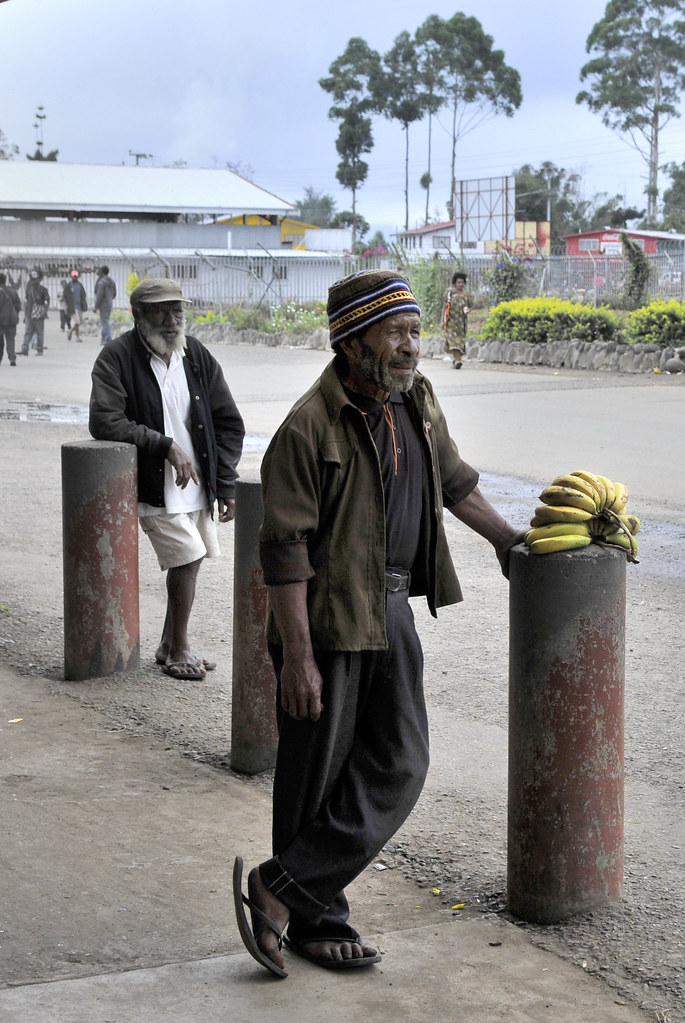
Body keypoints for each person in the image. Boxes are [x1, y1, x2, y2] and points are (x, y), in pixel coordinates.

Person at [233, 269, 524, 978]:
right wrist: (296, 657)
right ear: (351, 338)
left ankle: (282, 886)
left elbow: (455, 483)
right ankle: (314, 918)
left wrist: (506, 540)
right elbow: (283, 550)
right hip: (326, 622)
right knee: (315, 778)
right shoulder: (308, 426)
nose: (410, 346)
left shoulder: (415, 401)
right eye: (396, 331)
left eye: (415, 331)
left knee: (401, 759)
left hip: (389, 608)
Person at [89, 278, 245, 680]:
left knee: (188, 562)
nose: (172, 319)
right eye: (161, 311)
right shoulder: (116, 357)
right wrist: (164, 445)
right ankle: (179, 648)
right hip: (152, 484)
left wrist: (224, 482)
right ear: (139, 316)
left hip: (196, 483)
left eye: (178, 311)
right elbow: (105, 421)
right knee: (188, 556)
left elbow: (229, 422)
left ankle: (167, 643)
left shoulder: (195, 355)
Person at [441, 270, 471, 369]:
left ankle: (455, 361)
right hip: (451, 322)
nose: (460, 284)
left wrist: (468, 310)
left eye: (462, 282)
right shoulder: (449, 293)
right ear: (455, 282)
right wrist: (442, 321)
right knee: (452, 341)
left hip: (461, 323)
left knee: (460, 342)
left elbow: (469, 306)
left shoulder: (466, 295)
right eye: (459, 282)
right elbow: (445, 307)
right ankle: (457, 360)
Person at [20, 269, 50, 356]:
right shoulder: (29, 290)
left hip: (38, 315)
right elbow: (26, 302)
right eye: (32, 279)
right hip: (29, 314)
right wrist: (25, 315)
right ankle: (25, 349)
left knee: (39, 332)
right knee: (28, 332)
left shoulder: (43, 290)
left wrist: (44, 311)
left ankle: (39, 349)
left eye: (35, 278)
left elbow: (47, 301)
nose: (33, 281)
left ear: (39, 279)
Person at [0, 273, 22, 366]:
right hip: (12, 320)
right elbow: (18, 305)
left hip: (1, 320)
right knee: (10, 339)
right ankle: (12, 358)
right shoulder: (12, 290)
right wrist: (14, 313)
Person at [94, 265, 117, 346]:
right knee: (106, 321)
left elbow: (99, 296)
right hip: (109, 304)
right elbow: (114, 294)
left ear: (102, 272)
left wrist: (96, 306)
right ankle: (105, 338)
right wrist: (109, 298)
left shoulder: (101, 283)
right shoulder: (112, 281)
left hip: (103, 305)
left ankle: (107, 338)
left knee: (105, 321)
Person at [67, 269, 88, 341]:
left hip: (79, 306)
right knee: (77, 321)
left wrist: (84, 305)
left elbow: (83, 295)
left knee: (79, 322)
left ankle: (70, 331)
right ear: (71, 276)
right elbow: (65, 296)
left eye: (76, 276)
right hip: (72, 307)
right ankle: (77, 337)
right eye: (73, 276)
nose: (74, 278)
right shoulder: (69, 286)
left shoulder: (80, 285)